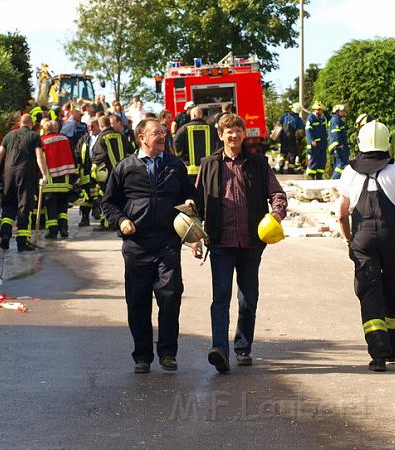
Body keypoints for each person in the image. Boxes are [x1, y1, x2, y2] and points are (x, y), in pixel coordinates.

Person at [100, 118, 200, 374]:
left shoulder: (175, 165)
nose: (163, 136)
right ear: (141, 137)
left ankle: (167, 353)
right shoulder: (126, 167)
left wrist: (193, 228)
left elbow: (191, 197)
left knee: (170, 297)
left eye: (164, 133)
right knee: (138, 301)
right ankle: (142, 356)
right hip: (137, 244)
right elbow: (108, 203)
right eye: (156, 133)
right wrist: (122, 220)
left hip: (168, 243)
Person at [195, 113, 288, 373]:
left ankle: (243, 348)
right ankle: (219, 350)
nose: (233, 135)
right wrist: (193, 236)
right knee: (220, 296)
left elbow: (277, 194)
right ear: (220, 135)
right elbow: (197, 203)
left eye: (237, 130)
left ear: (243, 134)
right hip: (221, 243)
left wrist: (276, 214)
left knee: (248, 298)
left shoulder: (258, 163)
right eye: (228, 131)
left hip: (250, 243)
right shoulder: (209, 164)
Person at [337, 121, 395, 371]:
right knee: (394, 288)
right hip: (391, 237)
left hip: (362, 238)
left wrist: (349, 240)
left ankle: (378, 354)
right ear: (386, 143)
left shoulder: (350, 172)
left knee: (369, 292)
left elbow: (341, 213)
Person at [0, 114, 49, 251]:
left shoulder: (9, 136)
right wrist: (44, 174)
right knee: (24, 206)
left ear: (19, 122)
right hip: (25, 174)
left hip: (8, 174)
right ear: (32, 123)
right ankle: (22, 242)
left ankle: (5, 235)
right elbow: (39, 156)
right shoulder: (34, 136)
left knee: (9, 205)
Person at [91, 115, 133, 230]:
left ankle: (107, 223)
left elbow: (98, 155)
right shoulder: (120, 136)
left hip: (108, 174)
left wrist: (94, 172)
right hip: (123, 173)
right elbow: (131, 151)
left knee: (105, 198)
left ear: (101, 126)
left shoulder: (102, 137)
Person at [40, 120, 77, 239]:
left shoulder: (42, 141)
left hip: (50, 180)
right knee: (62, 207)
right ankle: (64, 228)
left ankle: (53, 231)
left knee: (51, 207)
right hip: (65, 180)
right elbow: (72, 156)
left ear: (45, 130)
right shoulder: (65, 139)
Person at [174, 106, 214, 180]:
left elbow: (176, 145)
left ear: (193, 115)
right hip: (209, 170)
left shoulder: (183, 129)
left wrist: (183, 157)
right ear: (201, 115)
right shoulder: (212, 128)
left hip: (189, 171)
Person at [75, 117, 101, 227]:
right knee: (85, 195)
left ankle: (99, 213)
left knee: (98, 193)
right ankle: (85, 218)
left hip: (99, 170)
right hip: (86, 170)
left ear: (98, 126)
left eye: (92, 126)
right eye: (88, 126)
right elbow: (77, 153)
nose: (90, 128)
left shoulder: (102, 138)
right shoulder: (84, 139)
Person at [277, 103, 305, 174]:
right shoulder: (298, 120)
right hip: (293, 140)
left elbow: (278, 124)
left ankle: (281, 168)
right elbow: (301, 132)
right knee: (292, 155)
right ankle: (290, 171)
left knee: (282, 154)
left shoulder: (285, 116)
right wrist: (300, 139)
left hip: (284, 139)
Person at [305, 101, 328, 179]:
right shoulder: (311, 118)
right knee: (314, 160)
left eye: (321, 110)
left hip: (322, 144)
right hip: (314, 144)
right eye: (318, 110)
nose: (319, 111)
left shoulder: (321, 119)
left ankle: (319, 177)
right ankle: (310, 177)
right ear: (314, 110)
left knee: (322, 161)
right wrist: (311, 140)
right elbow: (308, 131)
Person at [328, 104, 349, 179]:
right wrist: (339, 144)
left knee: (339, 165)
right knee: (341, 165)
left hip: (339, 146)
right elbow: (335, 133)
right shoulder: (335, 120)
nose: (343, 112)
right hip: (338, 146)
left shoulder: (338, 120)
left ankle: (336, 183)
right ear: (337, 111)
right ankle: (333, 182)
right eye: (342, 111)